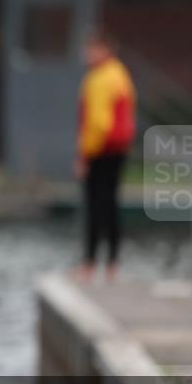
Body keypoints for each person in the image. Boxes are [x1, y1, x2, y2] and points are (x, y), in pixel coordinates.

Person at [74, 32, 136, 284]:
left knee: (95, 206)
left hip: (100, 150)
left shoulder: (99, 78)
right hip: (118, 150)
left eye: (92, 49)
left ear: (105, 49)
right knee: (110, 205)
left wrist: (85, 156)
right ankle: (112, 264)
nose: (87, 54)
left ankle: (89, 264)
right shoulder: (121, 74)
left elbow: (98, 123)